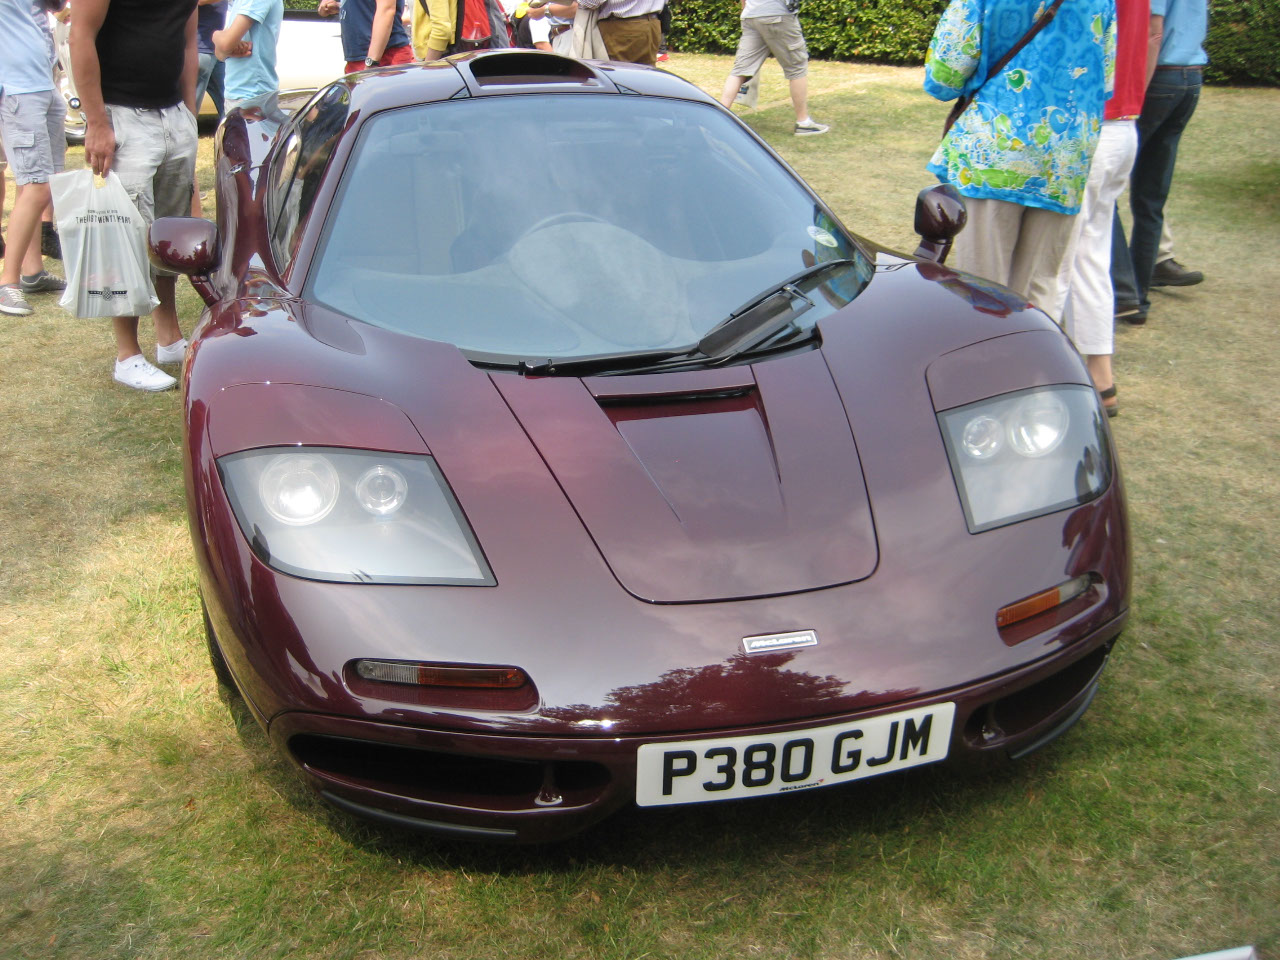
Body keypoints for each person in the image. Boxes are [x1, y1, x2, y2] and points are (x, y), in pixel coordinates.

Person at [923, 0, 1116, 324]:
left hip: (996, 154)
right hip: (1064, 158)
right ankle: (1036, 370)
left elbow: (943, 76)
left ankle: (988, 371)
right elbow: (1104, 82)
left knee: (982, 298)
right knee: (1039, 300)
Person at [70, 0, 199, 391]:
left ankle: (169, 338)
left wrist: (189, 114)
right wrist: (96, 121)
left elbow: (187, 41)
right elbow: (81, 36)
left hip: (173, 116)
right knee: (123, 239)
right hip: (121, 115)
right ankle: (127, 355)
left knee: (168, 234)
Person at [1061, 0, 1158, 416]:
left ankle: (1048, 377)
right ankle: (1100, 379)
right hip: (1123, 126)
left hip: (1091, 126)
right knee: (1090, 257)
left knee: (1056, 264)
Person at [1110, 0, 1207, 323]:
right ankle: (1139, 292)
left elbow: (1154, 31)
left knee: (1105, 188)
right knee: (1151, 197)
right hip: (1191, 76)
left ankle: (1125, 294)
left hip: (1159, 77)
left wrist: (1135, 93)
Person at [0, 0, 69, 317]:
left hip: (45, 83)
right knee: (36, 185)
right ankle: (6, 284)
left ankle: (32, 273)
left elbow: (57, 5)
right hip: (17, 90)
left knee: (44, 183)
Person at [719, 0, 828, 136]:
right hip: (777, 14)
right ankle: (803, 123)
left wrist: (744, 11)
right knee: (797, 67)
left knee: (740, 70)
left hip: (750, 16)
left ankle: (719, 118)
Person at [213, 0, 283, 110]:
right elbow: (220, 54)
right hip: (239, 94)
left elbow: (225, 45)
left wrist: (215, 36)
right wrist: (222, 42)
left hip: (252, 96)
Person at [319, 0, 414, 71]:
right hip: (357, 59)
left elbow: (386, 10)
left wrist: (372, 62)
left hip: (386, 58)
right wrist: (331, 6)